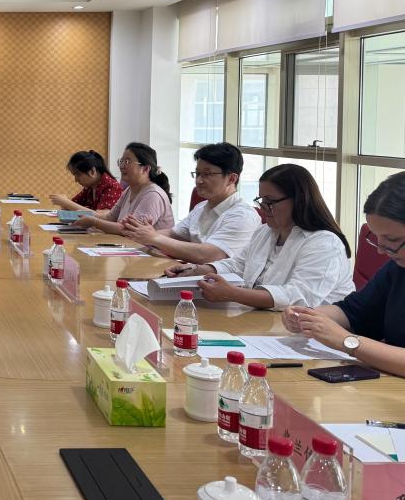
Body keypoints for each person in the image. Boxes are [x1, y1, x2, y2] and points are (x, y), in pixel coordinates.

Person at [165, 164, 353, 309]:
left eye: (270, 201)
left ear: (299, 200)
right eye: (261, 200)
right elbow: (239, 264)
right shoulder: (266, 232)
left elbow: (299, 297)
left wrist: (233, 294)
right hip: (265, 320)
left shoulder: (324, 243)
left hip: (311, 333)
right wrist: (199, 270)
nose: (263, 208)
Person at [283, 172, 405, 376]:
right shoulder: (397, 268)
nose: (380, 250)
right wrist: (308, 316)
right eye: (376, 237)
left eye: (391, 240)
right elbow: (352, 311)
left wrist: (346, 341)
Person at [122, 142, 259, 264]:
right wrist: (141, 232)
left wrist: (154, 237)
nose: (199, 181)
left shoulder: (243, 216)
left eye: (207, 174)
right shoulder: (201, 207)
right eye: (197, 173)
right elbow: (174, 234)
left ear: (231, 179)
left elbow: (208, 255)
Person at [74, 142, 174, 234]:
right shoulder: (128, 190)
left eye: (127, 162)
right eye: (121, 161)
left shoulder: (153, 195)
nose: (121, 166)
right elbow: (110, 217)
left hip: (148, 248)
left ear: (145, 169)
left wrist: (94, 222)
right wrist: (86, 214)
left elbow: (131, 229)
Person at [49, 150, 123, 212]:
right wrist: (65, 203)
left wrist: (66, 202)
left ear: (92, 171)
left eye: (78, 175)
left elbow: (103, 216)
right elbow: (71, 206)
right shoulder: (90, 188)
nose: (76, 180)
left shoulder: (112, 187)